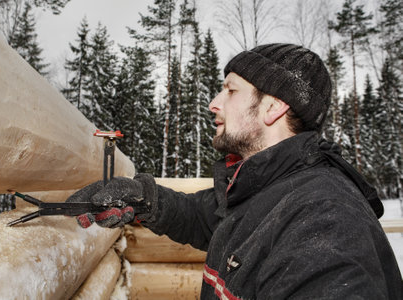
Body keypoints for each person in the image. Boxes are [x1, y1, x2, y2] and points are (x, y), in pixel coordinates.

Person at [67, 43, 402, 299]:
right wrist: (141, 198)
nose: (214, 102)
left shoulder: (324, 221)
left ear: (273, 107)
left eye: (230, 90)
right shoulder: (266, 187)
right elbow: (206, 218)